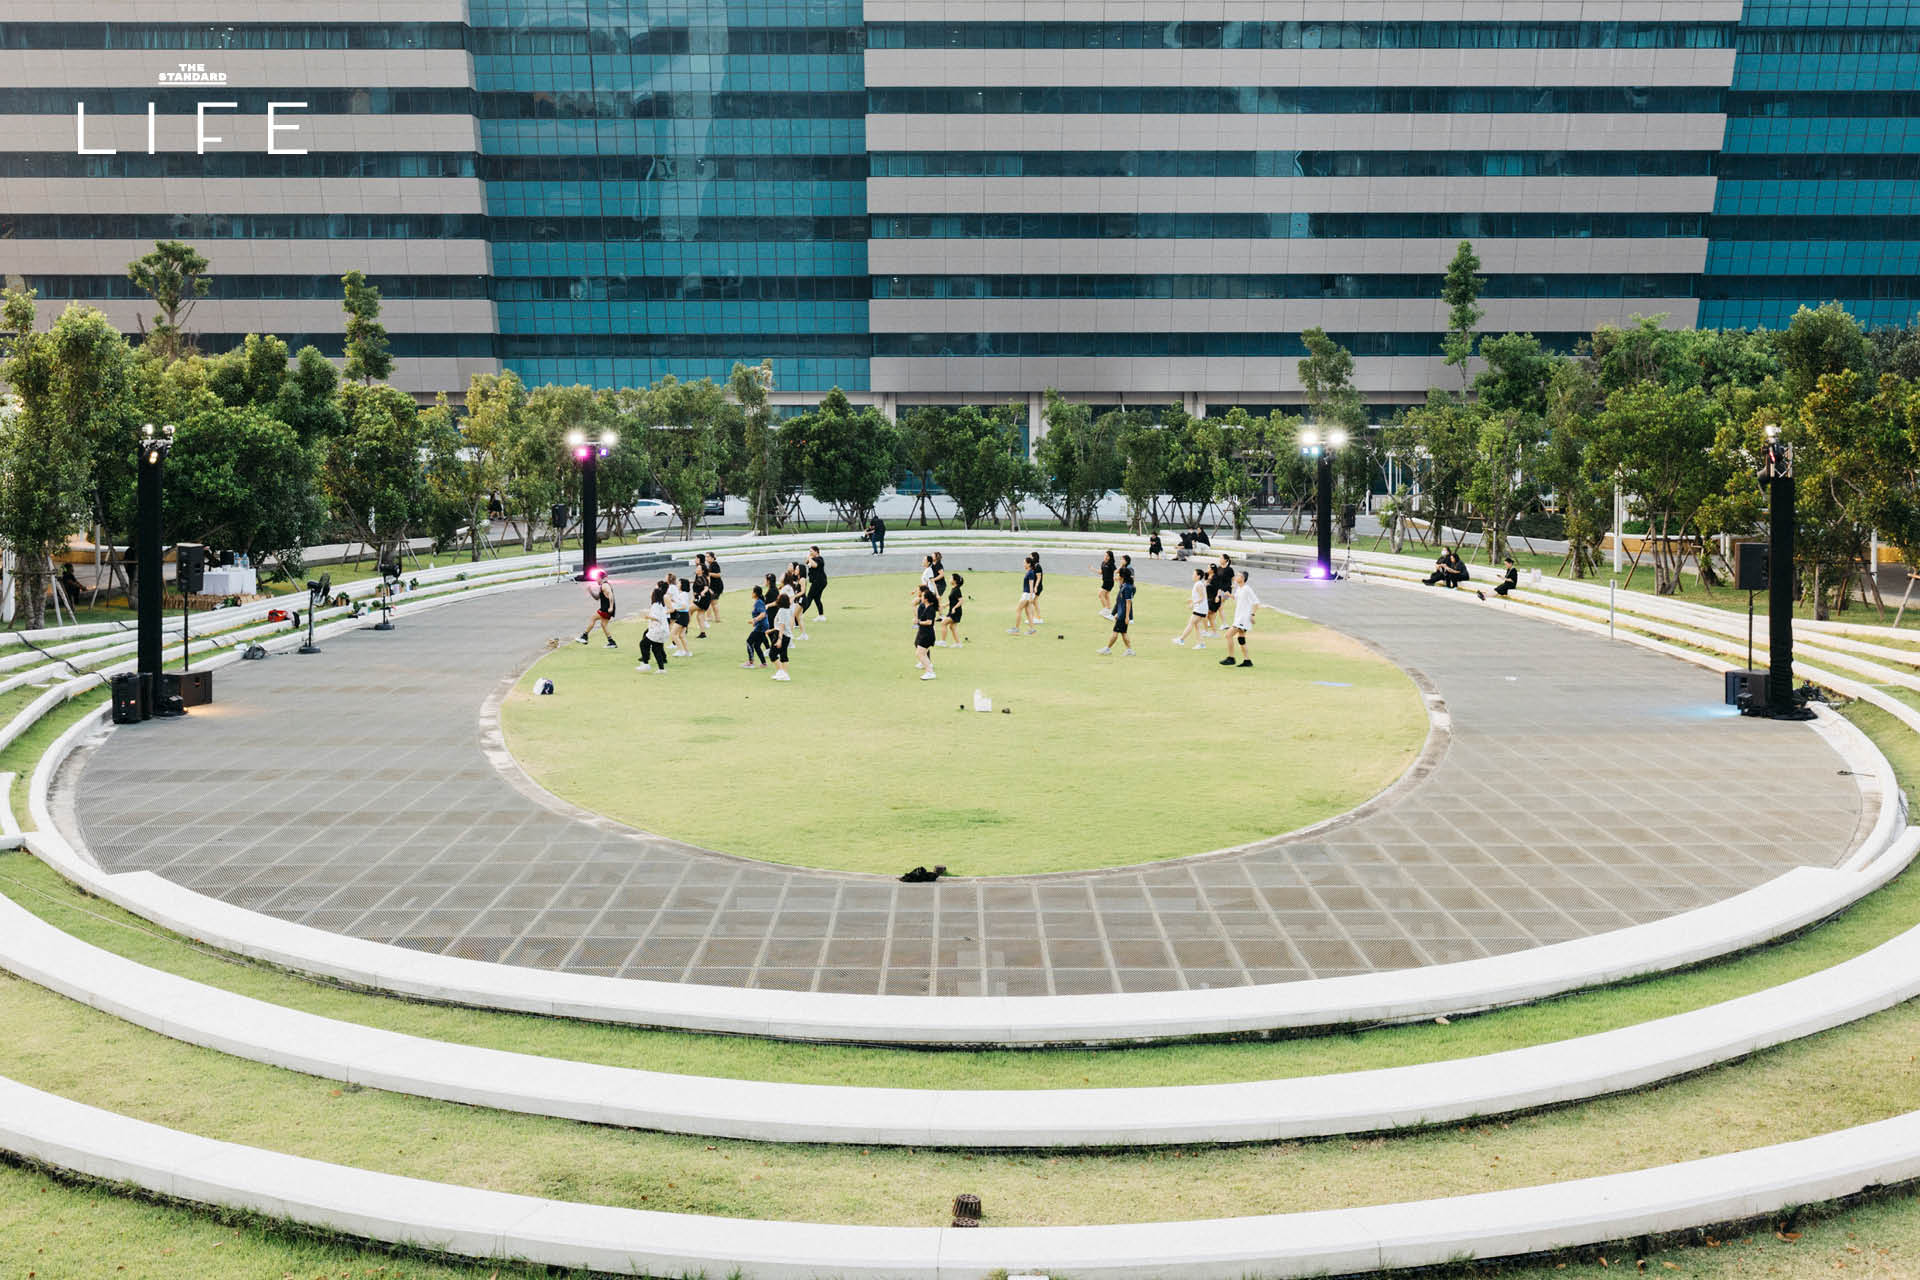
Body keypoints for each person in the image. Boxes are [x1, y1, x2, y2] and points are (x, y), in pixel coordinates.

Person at [1220, 569, 1268, 668]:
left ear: (1242, 578)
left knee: (1228, 635)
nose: (1236, 577)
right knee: (1241, 639)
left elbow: (1256, 603)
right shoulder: (1239, 589)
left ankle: (1231, 658)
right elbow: (1236, 598)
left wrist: (1252, 615)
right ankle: (1247, 661)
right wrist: (1229, 595)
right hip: (1239, 617)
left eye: (1238, 576)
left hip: (1243, 618)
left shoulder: (1247, 589)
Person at [1099, 566, 1136, 656]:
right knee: (1123, 633)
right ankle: (1129, 650)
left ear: (1122, 576)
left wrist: (1126, 617)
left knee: (1115, 632)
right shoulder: (1124, 585)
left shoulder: (1127, 587)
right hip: (1121, 613)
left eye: (1119, 574)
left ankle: (1108, 649)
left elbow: (1128, 603)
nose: (1117, 576)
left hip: (1123, 615)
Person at [577, 573, 617, 647]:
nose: (596, 580)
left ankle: (584, 636)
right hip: (608, 609)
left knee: (593, 618)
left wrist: (611, 607)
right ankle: (611, 642)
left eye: (596, 578)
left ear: (600, 578)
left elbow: (611, 595)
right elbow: (597, 598)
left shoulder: (605, 585)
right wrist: (590, 591)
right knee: (603, 625)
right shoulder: (602, 586)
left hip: (606, 609)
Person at [636, 584, 670, 672]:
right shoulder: (661, 605)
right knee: (656, 649)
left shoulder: (655, 605)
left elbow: (656, 617)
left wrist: (647, 616)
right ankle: (661, 669)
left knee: (643, 644)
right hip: (663, 630)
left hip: (657, 630)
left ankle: (645, 663)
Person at [1173, 567, 1209, 648]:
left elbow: (1202, 597)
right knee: (1196, 625)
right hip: (1201, 608)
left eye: (1194, 574)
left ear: (1198, 576)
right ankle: (1201, 644)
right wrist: (1191, 600)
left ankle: (1181, 639)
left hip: (1200, 608)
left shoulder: (1199, 584)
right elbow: (1199, 597)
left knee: (1191, 623)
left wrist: (1193, 603)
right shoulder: (1198, 584)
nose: (1192, 575)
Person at [1008, 554, 1040, 635]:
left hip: (1027, 595)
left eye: (1024, 563)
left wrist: (1030, 597)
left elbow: (1031, 586)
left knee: (1018, 610)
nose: (1023, 564)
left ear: (1029, 564)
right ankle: (1032, 630)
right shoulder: (1029, 572)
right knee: (1027, 612)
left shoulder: (1031, 573)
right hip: (1027, 594)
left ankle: (1016, 629)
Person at [912, 584, 939, 680]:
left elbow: (929, 622)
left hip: (927, 635)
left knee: (920, 654)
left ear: (926, 599)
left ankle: (930, 672)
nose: (921, 598)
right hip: (924, 633)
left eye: (923, 596)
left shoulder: (930, 609)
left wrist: (918, 622)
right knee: (920, 653)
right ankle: (929, 671)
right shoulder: (927, 607)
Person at [742, 585, 771, 668]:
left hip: (761, 627)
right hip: (762, 626)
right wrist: (755, 622)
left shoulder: (759, 602)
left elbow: (763, 614)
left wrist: (754, 620)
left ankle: (751, 662)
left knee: (749, 642)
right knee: (757, 645)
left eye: (753, 592)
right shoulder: (759, 601)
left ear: (755, 593)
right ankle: (764, 663)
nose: (751, 593)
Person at [769, 590, 795, 681]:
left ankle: (782, 672)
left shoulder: (782, 611)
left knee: (772, 654)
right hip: (785, 635)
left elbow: (782, 625)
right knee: (783, 655)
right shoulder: (787, 610)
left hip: (781, 635)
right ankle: (783, 673)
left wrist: (779, 639)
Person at [1206, 554, 1234, 635]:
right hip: (1219, 589)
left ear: (1225, 560)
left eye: (1221, 558)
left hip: (1226, 591)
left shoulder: (1229, 569)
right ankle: (1216, 622)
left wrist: (1233, 585)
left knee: (1219, 606)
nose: (1220, 559)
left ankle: (1216, 622)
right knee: (1219, 606)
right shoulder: (1218, 568)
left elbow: (1233, 579)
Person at [669, 573, 694, 654]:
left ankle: (680, 650)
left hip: (682, 616)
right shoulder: (683, 594)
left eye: (679, 583)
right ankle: (687, 652)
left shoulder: (683, 594)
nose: (677, 584)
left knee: (673, 634)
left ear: (682, 585)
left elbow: (684, 606)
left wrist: (675, 608)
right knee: (681, 636)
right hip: (684, 616)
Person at [939, 572, 965, 648]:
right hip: (953, 611)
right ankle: (958, 644)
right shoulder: (953, 589)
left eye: (951, 578)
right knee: (952, 627)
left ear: (955, 581)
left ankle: (943, 642)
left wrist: (954, 608)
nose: (949, 579)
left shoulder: (957, 590)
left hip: (956, 612)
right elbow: (953, 601)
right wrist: (945, 605)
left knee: (943, 623)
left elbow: (961, 601)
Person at [805, 545, 828, 616]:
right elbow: (806, 562)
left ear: (816, 552)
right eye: (809, 551)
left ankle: (798, 617)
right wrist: (809, 558)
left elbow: (815, 565)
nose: (810, 553)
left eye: (811, 551)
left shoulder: (820, 559)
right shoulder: (813, 559)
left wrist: (810, 558)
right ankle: (821, 615)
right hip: (816, 581)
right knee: (817, 598)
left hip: (819, 581)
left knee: (809, 597)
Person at [690, 565, 713, 639]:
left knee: (689, 610)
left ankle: (684, 628)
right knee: (700, 615)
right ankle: (702, 633)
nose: (696, 569)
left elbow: (706, 587)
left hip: (703, 598)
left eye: (698, 568)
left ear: (702, 571)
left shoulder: (702, 578)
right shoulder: (699, 577)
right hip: (704, 598)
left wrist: (703, 592)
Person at [1094, 550, 1116, 618]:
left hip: (1109, 582)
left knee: (1100, 595)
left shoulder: (1111, 564)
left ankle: (1105, 609)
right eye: (1105, 555)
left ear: (1110, 557)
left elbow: (1116, 571)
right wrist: (1093, 569)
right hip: (1105, 581)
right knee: (1106, 595)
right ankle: (1109, 610)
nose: (1105, 557)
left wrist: (1117, 577)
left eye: (1107, 556)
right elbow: (1101, 572)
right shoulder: (1103, 563)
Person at [706, 553, 725, 624]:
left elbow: (718, 574)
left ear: (713, 558)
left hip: (716, 587)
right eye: (706, 557)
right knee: (710, 602)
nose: (706, 558)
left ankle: (717, 618)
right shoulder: (711, 565)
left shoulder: (714, 564)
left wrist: (709, 574)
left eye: (708, 557)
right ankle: (710, 617)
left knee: (714, 603)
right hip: (713, 586)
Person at [1029, 553, 1046, 622]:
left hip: (1038, 587)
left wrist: (1035, 587)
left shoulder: (1038, 566)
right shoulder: (1034, 566)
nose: (1029, 558)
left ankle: (1036, 618)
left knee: (1033, 601)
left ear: (1034, 558)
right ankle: (1038, 618)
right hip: (1035, 586)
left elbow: (1039, 578)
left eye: (1030, 557)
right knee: (1034, 602)